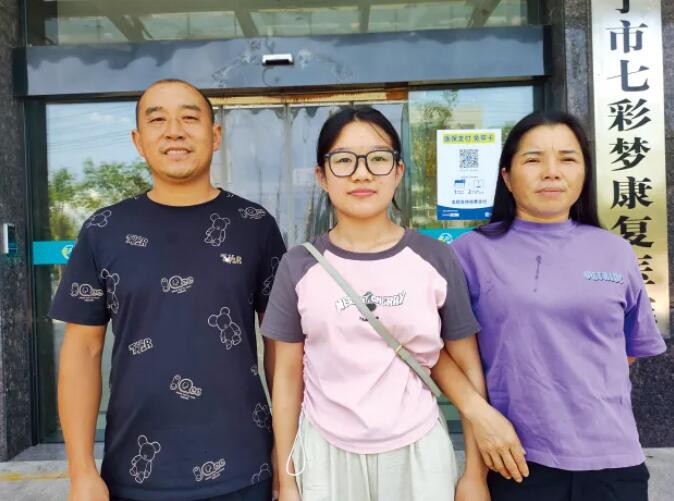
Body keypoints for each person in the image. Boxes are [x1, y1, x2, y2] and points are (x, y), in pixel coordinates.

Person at [262, 106, 522, 501]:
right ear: (322, 176)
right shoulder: (298, 265)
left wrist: (474, 474)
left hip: (417, 450)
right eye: (344, 160)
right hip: (325, 452)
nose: (362, 173)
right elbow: (286, 378)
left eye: (378, 159)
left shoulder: (435, 258)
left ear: (398, 172)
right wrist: (288, 481)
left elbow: (468, 365)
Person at [51, 79, 286, 501]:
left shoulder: (255, 225)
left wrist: (284, 460)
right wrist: (80, 471)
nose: (174, 131)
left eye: (189, 118)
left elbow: (282, 351)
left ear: (215, 135)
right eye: (157, 120)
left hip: (245, 470)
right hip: (134, 474)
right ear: (138, 141)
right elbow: (82, 350)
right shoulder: (104, 229)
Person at [451, 110, 667, 501]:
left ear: (584, 173)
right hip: (516, 460)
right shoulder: (470, 253)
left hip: (614, 462)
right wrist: (474, 467)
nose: (552, 172)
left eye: (567, 158)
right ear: (506, 177)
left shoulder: (615, 251)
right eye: (533, 159)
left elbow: (627, 349)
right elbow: (451, 357)